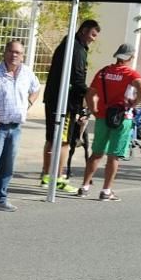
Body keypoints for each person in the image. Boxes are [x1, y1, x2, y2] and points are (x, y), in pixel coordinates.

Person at [0, 39, 40, 214]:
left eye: (18, 52)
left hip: (15, 127)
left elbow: (36, 88)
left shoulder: (26, 73)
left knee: (8, 165)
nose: (14, 55)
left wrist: (28, 103)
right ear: (5, 53)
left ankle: (1, 198)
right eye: (11, 51)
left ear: (23, 56)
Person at [77, 43, 141, 201]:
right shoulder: (130, 74)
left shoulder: (103, 72)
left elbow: (90, 93)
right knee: (113, 156)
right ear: (130, 57)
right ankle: (106, 191)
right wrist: (134, 104)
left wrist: (94, 109)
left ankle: (84, 187)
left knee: (96, 153)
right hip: (122, 118)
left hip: (102, 116)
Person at [41, 18, 99, 190]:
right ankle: (58, 177)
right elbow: (78, 78)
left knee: (52, 138)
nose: (93, 39)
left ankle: (46, 175)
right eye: (92, 34)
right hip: (64, 102)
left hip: (53, 98)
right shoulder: (77, 49)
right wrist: (89, 94)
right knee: (64, 141)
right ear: (83, 31)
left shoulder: (66, 44)